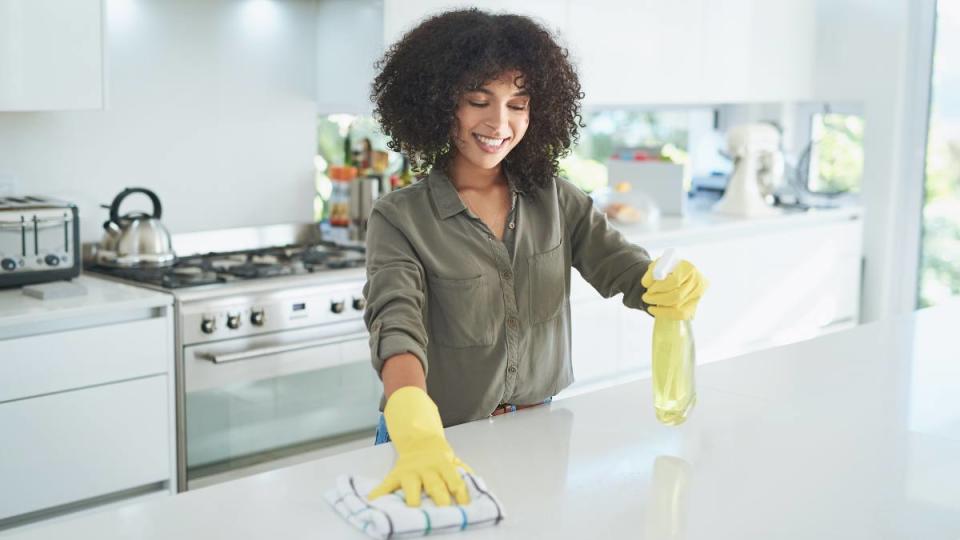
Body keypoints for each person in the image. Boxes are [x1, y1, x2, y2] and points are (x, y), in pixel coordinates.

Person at [362, 9, 706, 508]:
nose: (499, 123)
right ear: (438, 104)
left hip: (538, 432)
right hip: (435, 442)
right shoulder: (400, 218)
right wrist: (414, 423)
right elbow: (397, 326)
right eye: (478, 100)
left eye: (517, 104)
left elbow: (627, 272)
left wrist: (667, 282)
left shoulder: (556, 200)